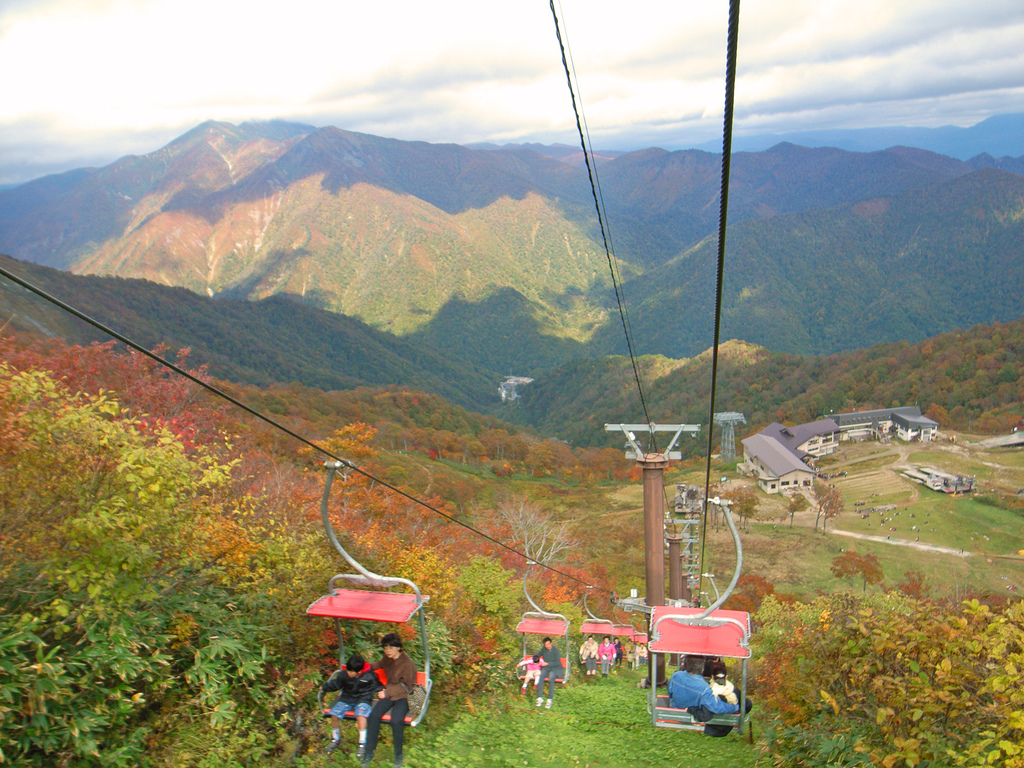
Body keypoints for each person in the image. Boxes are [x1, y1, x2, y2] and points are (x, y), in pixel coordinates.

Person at [361, 633, 418, 768]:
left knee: (396, 720)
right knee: (374, 716)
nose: (387, 652)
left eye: (391, 648)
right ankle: (369, 751)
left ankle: (398, 755)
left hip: (404, 695)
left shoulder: (407, 663)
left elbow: (408, 685)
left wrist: (387, 692)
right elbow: (378, 664)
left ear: (398, 648)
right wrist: (362, 668)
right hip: (390, 693)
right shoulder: (387, 659)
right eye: (385, 649)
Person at [668, 655, 752, 738]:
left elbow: (670, 693)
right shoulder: (704, 688)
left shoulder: (676, 676)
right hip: (692, 712)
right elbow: (717, 707)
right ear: (702, 667)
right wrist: (735, 707)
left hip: (676, 707)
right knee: (744, 702)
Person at [321, 653, 384, 755]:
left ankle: (362, 743)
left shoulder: (369, 676)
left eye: (351, 672)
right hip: (347, 698)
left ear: (359, 672)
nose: (349, 674)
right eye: (348, 671)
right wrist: (325, 687)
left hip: (363, 698)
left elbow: (377, 686)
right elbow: (336, 684)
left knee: (361, 715)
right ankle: (335, 739)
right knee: (334, 715)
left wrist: (384, 692)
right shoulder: (344, 674)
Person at [535, 637, 562, 709]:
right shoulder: (544, 649)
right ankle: (540, 697)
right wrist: (535, 658)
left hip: (555, 668)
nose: (547, 646)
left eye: (548, 644)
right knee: (541, 677)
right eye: (546, 645)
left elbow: (557, 662)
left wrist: (547, 663)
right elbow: (539, 654)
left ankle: (549, 699)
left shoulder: (556, 651)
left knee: (551, 679)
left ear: (551, 643)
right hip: (547, 668)